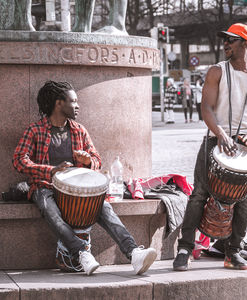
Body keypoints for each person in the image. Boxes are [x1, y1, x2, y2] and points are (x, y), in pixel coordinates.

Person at [13, 81, 157, 276]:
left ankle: (133, 253)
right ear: (58, 104)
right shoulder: (35, 130)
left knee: (104, 208)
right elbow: (19, 160)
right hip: (44, 186)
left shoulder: (79, 130)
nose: (78, 106)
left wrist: (88, 161)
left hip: (78, 190)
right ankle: (81, 252)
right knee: (50, 211)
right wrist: (51, 170)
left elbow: (97, 159)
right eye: (73, 101)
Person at [173, 23, 247, 271]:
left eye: (232, 39)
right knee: (199, 195)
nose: (226, 44)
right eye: (225, 40)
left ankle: (233, 251)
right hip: (215, 140)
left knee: (245, 201)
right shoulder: (216, 71)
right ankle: (185, 248)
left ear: (246, 43)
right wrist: (219, 133)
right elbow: (206, 108)